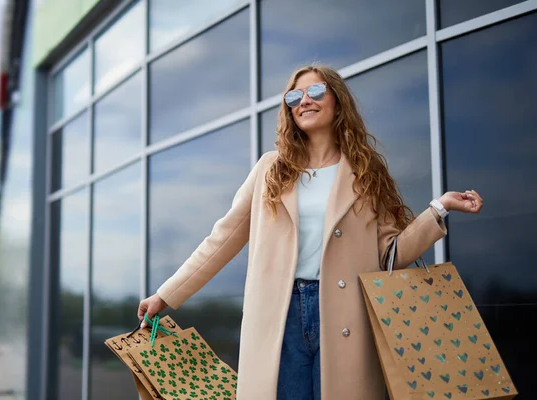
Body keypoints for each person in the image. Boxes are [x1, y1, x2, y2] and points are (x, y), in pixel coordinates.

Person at [137, 65, 483, 400]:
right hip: (279, 314)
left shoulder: (365, 171)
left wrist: (438, 209)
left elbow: (390, 256)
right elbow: (220, 240)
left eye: (316, 91)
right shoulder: (269, 170)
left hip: (347, 315)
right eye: (294, 96)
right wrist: (166, 295)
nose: (305, 100)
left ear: (337, 101)